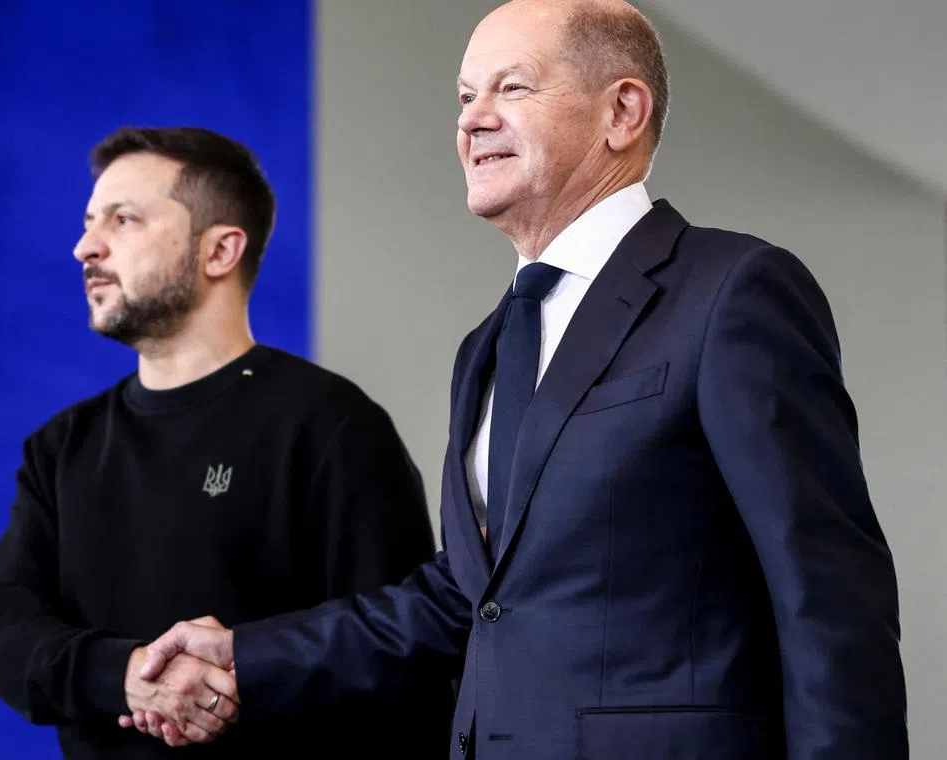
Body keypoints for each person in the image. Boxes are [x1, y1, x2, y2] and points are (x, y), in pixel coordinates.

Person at [125, 1, 911, 758]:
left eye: (512, 87)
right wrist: (243, 657)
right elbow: (473, 598)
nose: (470, 120)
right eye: (465, 96)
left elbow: (829, 595)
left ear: (622, 112)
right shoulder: (491, 342)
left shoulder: (732, 291)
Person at [0, 126, 455, 759]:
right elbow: (1, 628)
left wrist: (233, 681)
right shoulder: (63, 447)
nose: (85, 247)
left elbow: (403, 654)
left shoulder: (331, 427)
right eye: (91, 222)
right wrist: (130, 676)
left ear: (220, 251)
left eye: (124, 220)